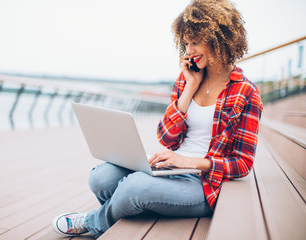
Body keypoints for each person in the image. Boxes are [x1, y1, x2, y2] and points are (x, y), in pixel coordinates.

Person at [52, 0, 263, 238]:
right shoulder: (187, 79)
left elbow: (243, 164)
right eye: (186, 43)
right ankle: (125, 210)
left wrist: (190, 162)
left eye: (195, 42)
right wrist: (189, 89)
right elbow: (166, 138)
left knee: (135, 187)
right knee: (101, 177)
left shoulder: (246, 93)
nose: (188, 50)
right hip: (170, 167)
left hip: (203, 183)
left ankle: (93, 222)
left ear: (219, 38)